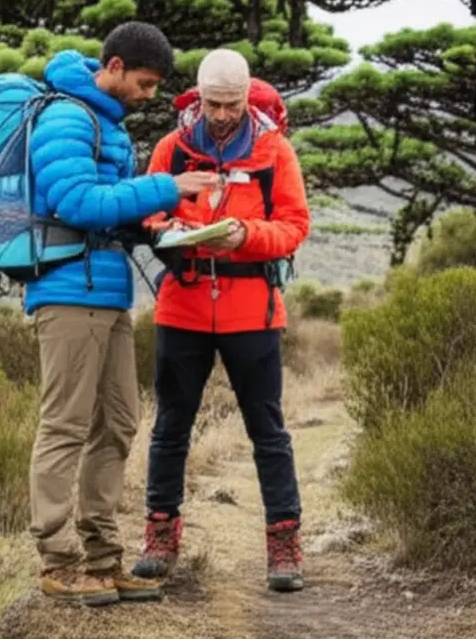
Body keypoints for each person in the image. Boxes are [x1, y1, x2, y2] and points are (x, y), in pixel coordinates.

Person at [24, 21, 220, 607]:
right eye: (143, 82)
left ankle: (105, 559)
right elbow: (77, 203)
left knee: (117, 423)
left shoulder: (105, 124)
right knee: (65, 424)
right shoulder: (64, 117)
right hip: (65, 293)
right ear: (111, 66)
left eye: (156, 85)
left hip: (106, 293)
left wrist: (168, 227)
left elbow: (109, 212)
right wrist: (165, 186)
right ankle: (59, 562)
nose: (149, 94)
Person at [132, 48, 311, 592]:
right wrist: (165, 231)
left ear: (247, 95)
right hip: (182, 305)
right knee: (170, 427)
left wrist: (247, 236)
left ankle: (285, 545)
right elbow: (147, 208)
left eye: (233, 103)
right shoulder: (171, 148)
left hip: (251, 309)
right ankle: (159, 538)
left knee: (268, 430)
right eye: (213, 103)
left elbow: (295, 225)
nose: (223, 113)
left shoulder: (274, 150)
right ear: (199, 95)